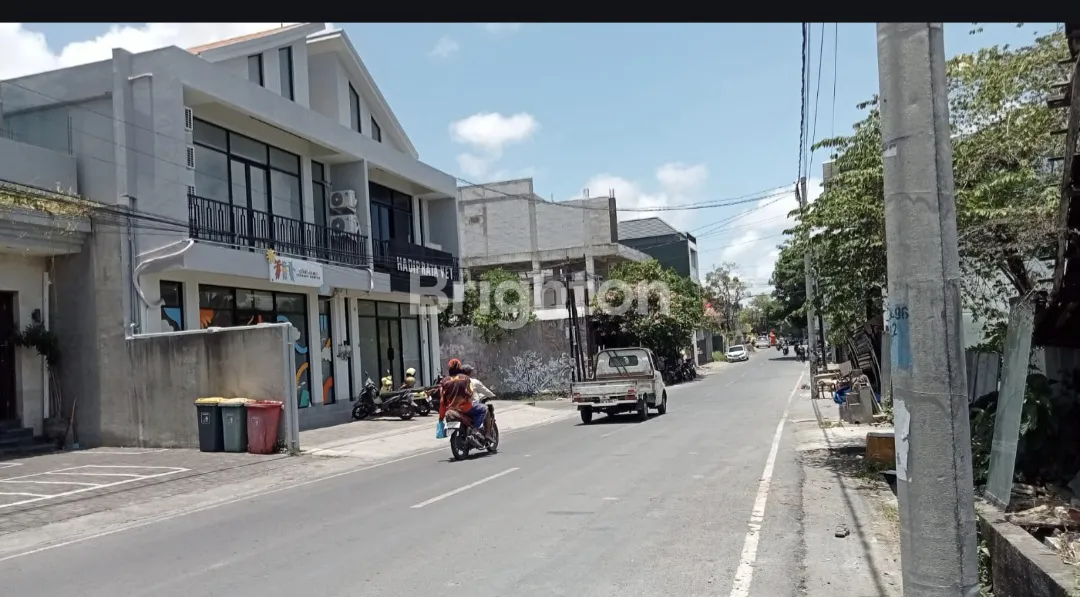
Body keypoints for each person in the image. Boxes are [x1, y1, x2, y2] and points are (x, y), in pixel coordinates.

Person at [438, 359, 488, 441]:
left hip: (450, 410)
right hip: (465, 408)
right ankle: (476, 430)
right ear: (459, 368)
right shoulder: (465, 378)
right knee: (484, 409)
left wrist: (441, 417)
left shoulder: (444, 381)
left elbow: (442, 401)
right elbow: (470, 393)